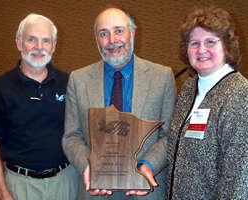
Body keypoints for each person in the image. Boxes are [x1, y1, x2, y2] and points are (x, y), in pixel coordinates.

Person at [62, 7, 177, 200]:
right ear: (96, 39)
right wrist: (87, 165)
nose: (112, 40)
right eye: (103, 34)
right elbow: (71, 137)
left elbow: (170, 135)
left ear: (132, 33)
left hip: (146, 189)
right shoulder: (78, 80)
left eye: (119, 31)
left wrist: (148, 166)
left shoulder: (163, 77)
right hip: (95, 190)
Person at [163, 6, 248, 200]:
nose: (201, 49)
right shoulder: (189, 91)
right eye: (194, 43)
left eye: (210, 42)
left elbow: (242, 183)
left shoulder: (242, 98)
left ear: (227, 47)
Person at [0, 13, 78, 200]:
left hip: (66, 182)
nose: (39, 47)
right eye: (31, 39)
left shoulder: (70, 83)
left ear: (54, 46)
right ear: (18, 42)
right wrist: (3, 193)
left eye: (46, 41)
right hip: (19, 185)